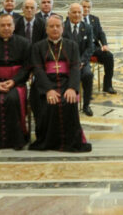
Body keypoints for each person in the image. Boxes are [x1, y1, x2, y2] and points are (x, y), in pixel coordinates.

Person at [29, 15, 91, 152]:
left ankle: (70, 141)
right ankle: (48, 141)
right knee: (48, 103)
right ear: (46, 30)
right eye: (51, 26)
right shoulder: (38, 47)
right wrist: (48, 90)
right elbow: (38, 70)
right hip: (44, 84)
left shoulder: (72, 45)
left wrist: (72, 88)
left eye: (58, 26)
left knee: (68, 101)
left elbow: (75, 67)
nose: (55, 29)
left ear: (63, 28)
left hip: (66, 82)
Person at [0, 13, 32, 151]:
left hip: (16, 82)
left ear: (14, 27)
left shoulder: (24, 43)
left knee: (13, 99)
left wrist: (14, 81)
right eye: (2, 25)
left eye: (9, 25)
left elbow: (27, 67)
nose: (6, 28)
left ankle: (17, 140)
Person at [63, 3, 96, 116]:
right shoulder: (62, 27)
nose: (77, 15)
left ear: (82, 14)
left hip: (82, 61)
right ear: (68, 14)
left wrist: (81, 61)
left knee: (88, 75)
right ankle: (67, 104)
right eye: (74, 12)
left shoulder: (87, 27)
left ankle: (86, 105)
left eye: (79, 12)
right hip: (66, 62)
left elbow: (90, 47)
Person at [81, 0, 116, 93]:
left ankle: (107, 86)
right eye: (84, 6)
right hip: (81, 49)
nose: (86, 9)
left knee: (109, 56)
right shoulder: (75, 18)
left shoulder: (95, 19)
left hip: (94, 48)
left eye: (88, 7)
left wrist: (104, 44)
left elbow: (101, 33)